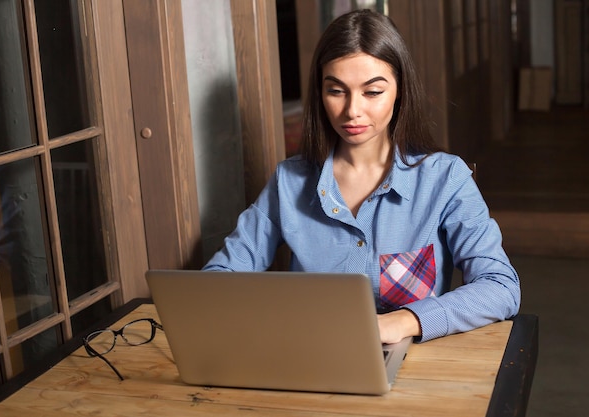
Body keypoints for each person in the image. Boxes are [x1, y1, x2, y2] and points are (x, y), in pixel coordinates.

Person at [203, 9, 520, 343]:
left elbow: (500, 287)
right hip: (310, 354)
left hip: (411, 369)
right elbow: (220, 277)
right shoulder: (289, 181)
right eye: (336, 91)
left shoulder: (445, 179)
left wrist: (403, 321)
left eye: (372, 92)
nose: (352, 110)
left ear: (400, 91)